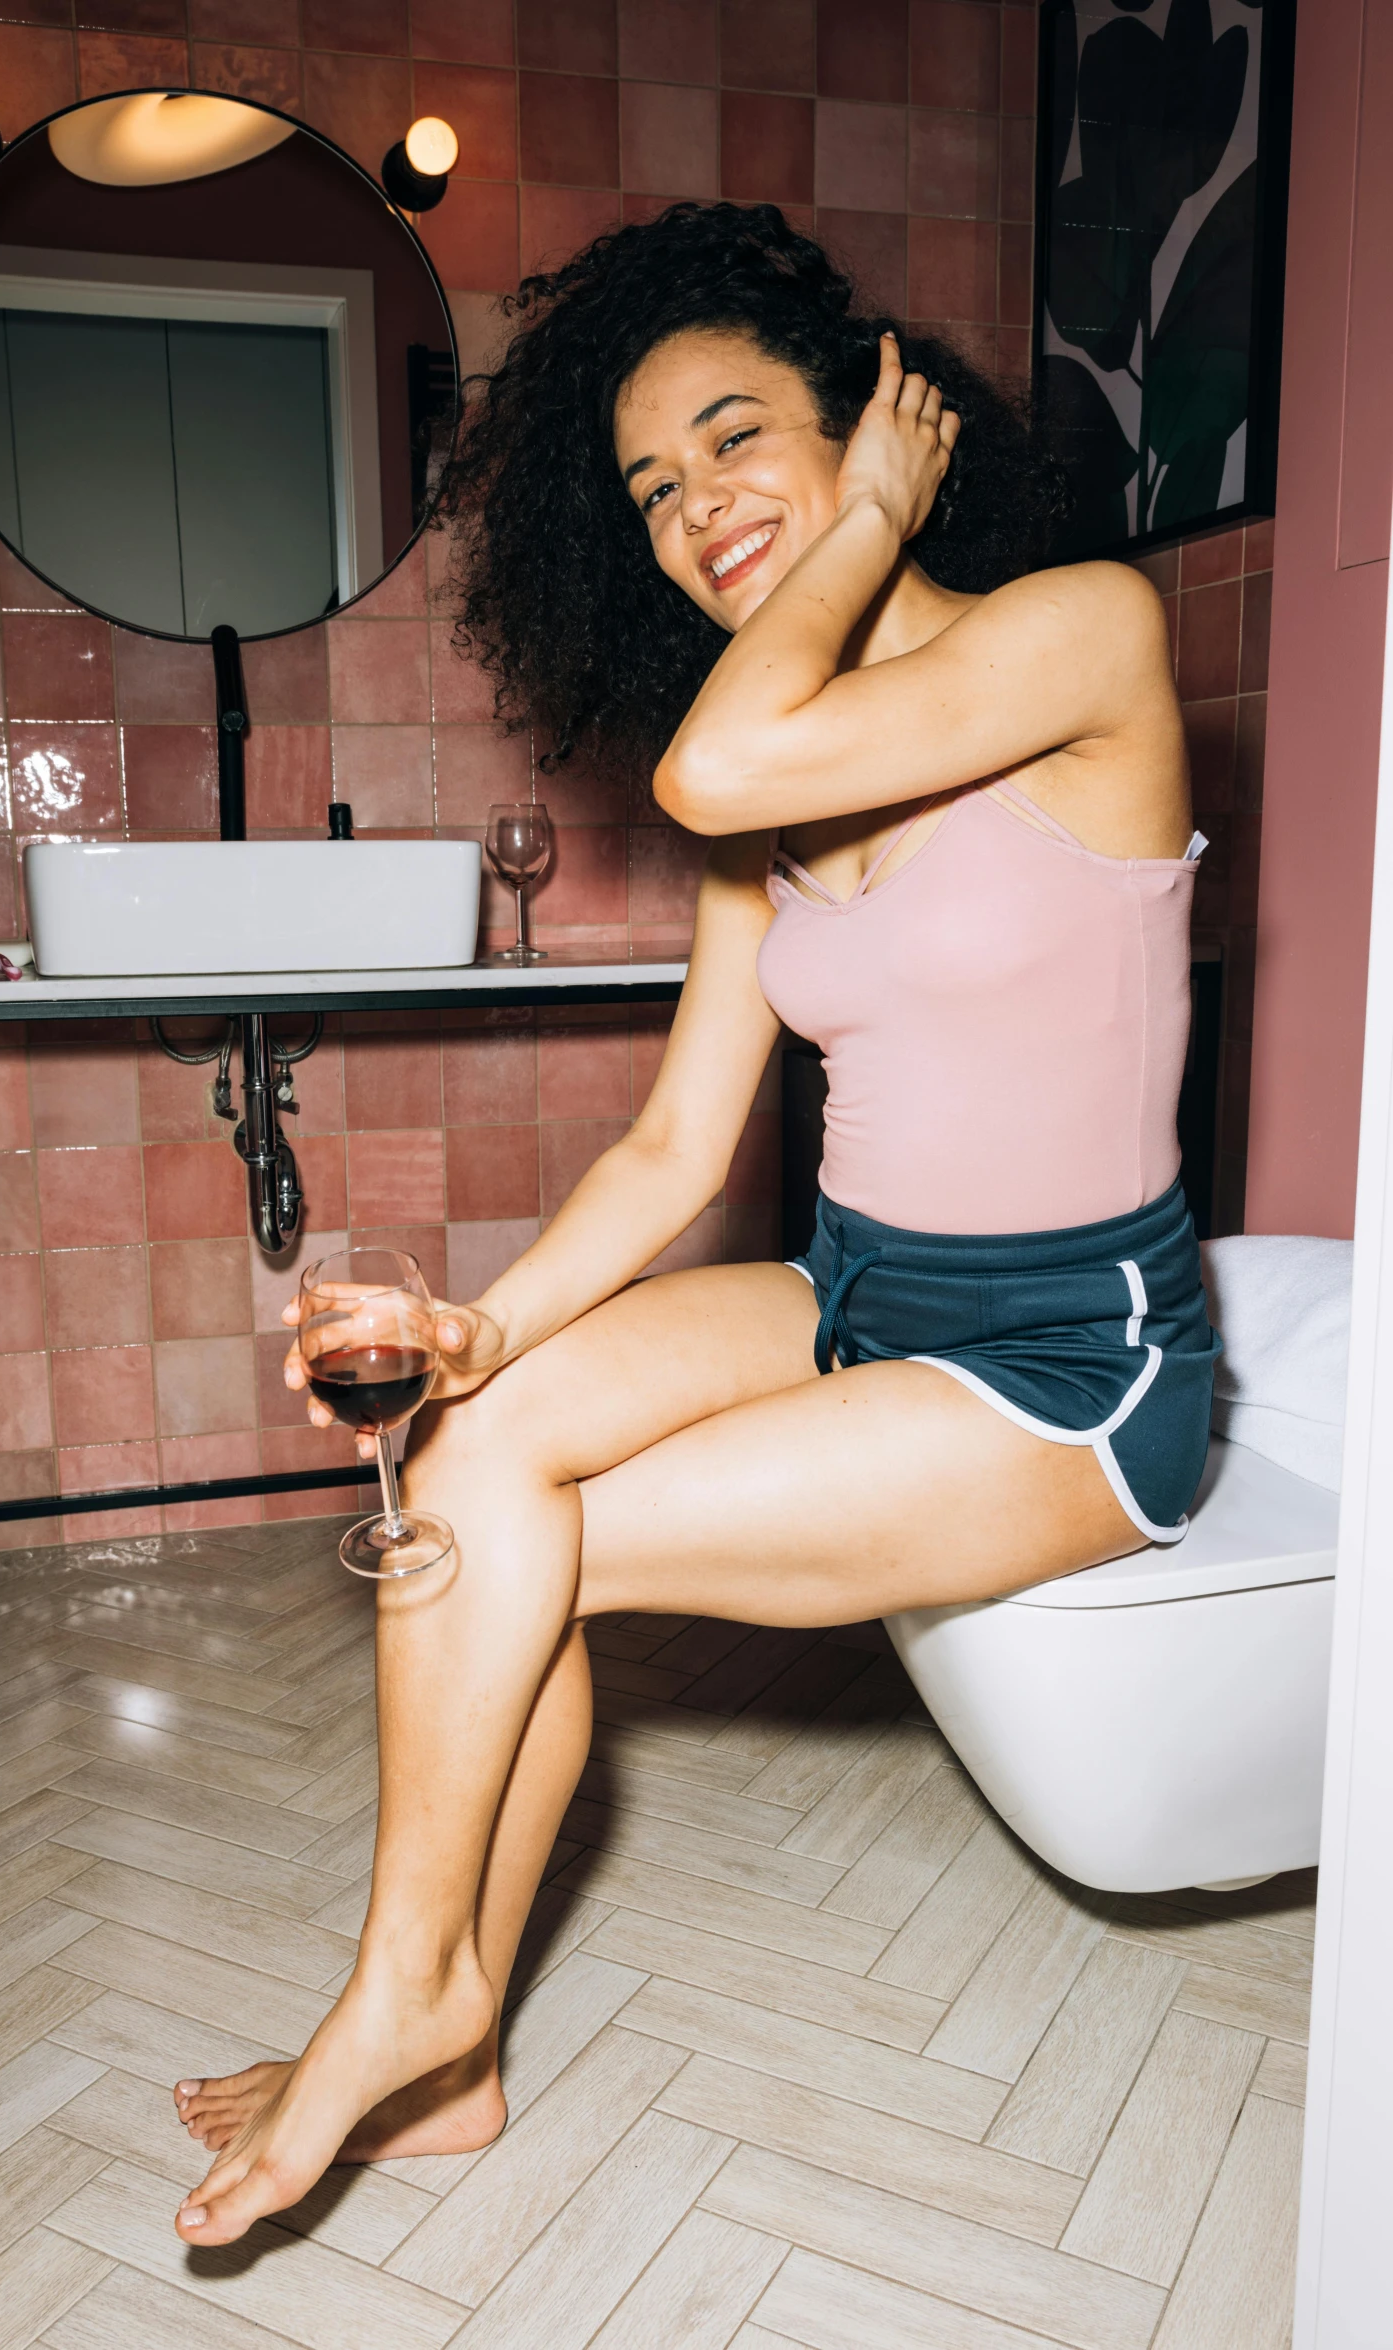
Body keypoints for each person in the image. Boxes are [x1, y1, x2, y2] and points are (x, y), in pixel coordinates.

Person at [171, 202, 1218, 2244]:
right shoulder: (777, 774)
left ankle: (408, 1998)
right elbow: (672, 1147)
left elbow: (725, 750)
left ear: (875, 425)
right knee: (476, 1442)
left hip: (1069, 1365)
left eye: (740, 438)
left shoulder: (1086, 632)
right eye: (653, 483)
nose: (695, 507)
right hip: (853, 1295)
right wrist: (486, 1328)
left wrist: (853, 538)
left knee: (499, 1544)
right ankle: (444, 2037)